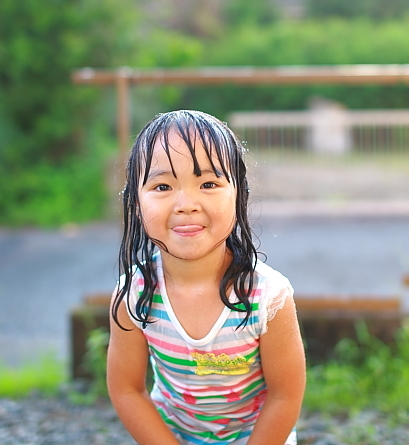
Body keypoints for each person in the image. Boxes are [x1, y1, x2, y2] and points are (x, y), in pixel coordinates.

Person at [107, 110, 306, 445]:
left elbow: (285, 397)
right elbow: (127, 389)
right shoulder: (133, 294)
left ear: (238, 193)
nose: (186, 204)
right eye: (163, 186)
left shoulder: (268, 297)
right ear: (136, 202)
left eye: (209, 184)